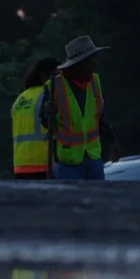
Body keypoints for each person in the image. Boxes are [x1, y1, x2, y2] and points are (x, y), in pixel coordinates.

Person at [43, 34, 110, 180]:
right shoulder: (54, 86)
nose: (96, 62)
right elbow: (44, 120)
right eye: (92, 59)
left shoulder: (95, 82)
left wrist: (113, 142)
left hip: (93, 157)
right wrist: (48, 113)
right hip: (69, 162)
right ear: (80, 63)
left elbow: (101, 117)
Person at [9, 57, 55, 179]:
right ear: (44, 76)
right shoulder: (49, 95)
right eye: (56, 75)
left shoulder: (20, 99)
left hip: (20, 164)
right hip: (45, 163)